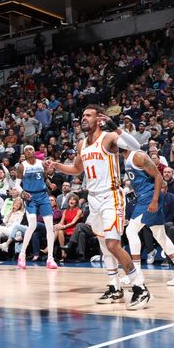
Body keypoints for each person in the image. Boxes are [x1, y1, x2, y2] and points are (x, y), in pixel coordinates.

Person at [47, 104, 150, 310]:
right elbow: (77, 169)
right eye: (82, 115)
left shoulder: (109, 137)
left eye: (88, 115)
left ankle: (140, 288)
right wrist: (57, 165)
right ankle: (115, 287)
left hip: (111, 195)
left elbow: (135, 146)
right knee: (104, 246)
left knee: (113, 244)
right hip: (93, 198)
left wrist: (116, 127)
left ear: (99, 118)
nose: (83, 118)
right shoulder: (82, 144)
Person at [123, 148, 174, 287]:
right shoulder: (127, 159)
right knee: (160, 235)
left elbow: (158, 177)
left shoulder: (138, 156)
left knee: (130, 231)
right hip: (144, 196)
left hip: (148, 197)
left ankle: (137, 273)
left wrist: (154, 200)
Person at [14, 145, 58, 269]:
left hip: (43, 196)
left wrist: (50, 184)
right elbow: (17, 184)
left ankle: (50, 258)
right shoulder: (22, 166)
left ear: (34, 152)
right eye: (26, 150)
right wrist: (22, 193)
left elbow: (44, 178)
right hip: (30, 197)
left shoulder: (41, 163)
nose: (29, 151)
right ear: (24, 153)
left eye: (31, 149)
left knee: (50, 226)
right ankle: (22, 255)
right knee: (32, 224)